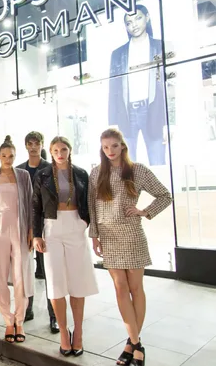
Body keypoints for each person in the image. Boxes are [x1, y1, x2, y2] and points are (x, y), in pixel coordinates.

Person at [89, 128, 172, 366]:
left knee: (136, 289)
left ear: (123, 146)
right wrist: (94, 236)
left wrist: (144, 212)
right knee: (119, 289)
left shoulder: (137, 171)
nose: (110, 151)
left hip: (132, 235)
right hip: (109, 237)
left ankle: (133, 345)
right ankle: (136, 345)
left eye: (114, 146)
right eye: (105, 147)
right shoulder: (97, 173)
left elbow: (165, 196)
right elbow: (92, 207)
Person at [32, 136, 98, 357]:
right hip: (52, 228)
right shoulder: (41, 175)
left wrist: (85, 222)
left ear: (69, 150)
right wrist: (36, 235)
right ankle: (63, 333)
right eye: (56, 150)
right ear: (50, 152)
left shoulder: (81, 173)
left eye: (64, 149)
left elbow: (89, 202)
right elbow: (35, 206)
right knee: (56, 283)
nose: (60, 153)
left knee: (78, 282)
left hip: (75, 225)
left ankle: (78, 333)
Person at [0, 136, 34, 343]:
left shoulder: (23, 176)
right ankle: (7, 321)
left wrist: (32, 230)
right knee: (0, 275)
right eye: (4, 155)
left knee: (21, 274)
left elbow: (30, 203)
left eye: (11, 155)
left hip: (20, 226)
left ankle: (20, 320)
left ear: (15, 156)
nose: (7, 158)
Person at [109, 5, 166, 165]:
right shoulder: (118, 54)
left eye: (138, 18)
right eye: (129, 22)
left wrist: (170, 122)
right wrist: (113, 121)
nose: (134, 24)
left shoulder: (159, 46)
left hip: (153, 109)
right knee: (126, 166)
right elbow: (113, 89)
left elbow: (169, 85)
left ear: (147, 18)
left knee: (158, 162)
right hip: (126, 113)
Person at [16, 131, 58, 333]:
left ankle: (54, 315)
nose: (33, 147)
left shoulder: (50, 169)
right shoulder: (18, 170)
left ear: (42, 145)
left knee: (48, 272)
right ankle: (28, 309)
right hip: (23, 227)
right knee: (25, 271)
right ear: (25, 146)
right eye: (29, 143)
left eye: (37, 143)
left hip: (45, 226)